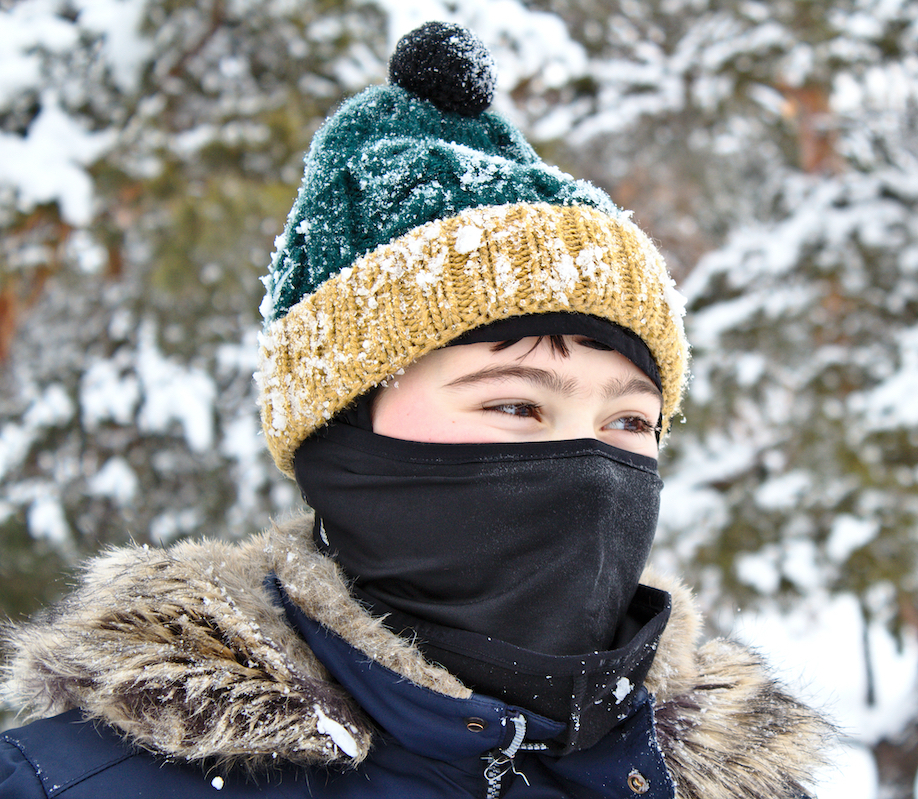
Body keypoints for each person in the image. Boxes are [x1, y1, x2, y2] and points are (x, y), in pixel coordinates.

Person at [0, 21, 833, 799]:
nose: (593, 472)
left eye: (629, 423)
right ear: (342, 433)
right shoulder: (71, 781)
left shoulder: (726, 781)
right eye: (515, 403)